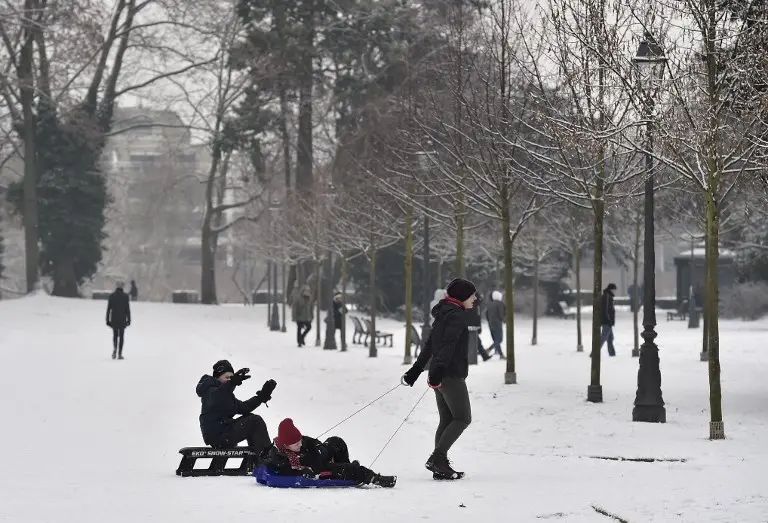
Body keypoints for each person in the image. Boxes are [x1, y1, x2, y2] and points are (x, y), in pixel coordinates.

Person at [401, 277, 476, 480]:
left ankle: (439, 465)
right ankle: (437, 458)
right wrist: (438, 370)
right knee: (462, 418)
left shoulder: (444, 314)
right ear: (462, 297)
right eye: (472, 295)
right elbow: (446, 346)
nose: (475, 299)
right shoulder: (457, 316)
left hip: (440, 373)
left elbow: (430, 346)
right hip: (449, 375)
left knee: (448, 419)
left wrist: (415, 371)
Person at [260, 418, 396, 488]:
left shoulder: (297, 442)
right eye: (296, 444)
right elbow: (281, 469)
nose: (300, 444)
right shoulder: (279, 456)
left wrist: (319, 447)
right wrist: (303, 472)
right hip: (317, 469)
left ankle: (346, 470)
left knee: (336, 442)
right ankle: (374, 478)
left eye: (300, 441)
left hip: (317, 457)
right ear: (285, 445)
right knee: (348, 470)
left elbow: (311, 441)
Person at [196, 360, 276, 455]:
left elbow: (245, 407)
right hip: (219, 436)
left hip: (224, 433)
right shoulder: (210, 391)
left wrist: (261, 396)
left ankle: (259, 458)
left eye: (231, 377)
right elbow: (218, 395)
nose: (229, 380)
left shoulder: (227, 396)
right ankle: (267, 458)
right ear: (217, 378)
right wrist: (232, 382)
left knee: (251, 419)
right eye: (227, 377)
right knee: (255, 421)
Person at [106, 281, 131, 360]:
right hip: (122, 319)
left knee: (115, 335)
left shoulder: (112, 296)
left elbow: (109, 309)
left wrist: (107, 319)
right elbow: (127, 309)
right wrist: (129, 319)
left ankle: (114, 350)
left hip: (114, 319)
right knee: (121, 336)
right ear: (122, 287)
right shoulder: (125, 296)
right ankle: (120, 353)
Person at [467, 291, 491, 362]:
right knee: (477, 342)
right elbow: (477, 318)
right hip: (471, 327)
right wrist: (479, 327)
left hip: (468, 327)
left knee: (477, 342)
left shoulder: (469, 305)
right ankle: (484, 356)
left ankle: (484, 355)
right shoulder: (475, 307)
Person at [597, 283, 617, 357]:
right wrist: (608, 320)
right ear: (611, 289)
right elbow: (605, 310)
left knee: (610, 337)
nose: (615, 292)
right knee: (604, 337)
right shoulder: (607, 297)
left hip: (608, 321)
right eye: (614, 290)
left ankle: (612, 353)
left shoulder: (608, 296)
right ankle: (594, 352)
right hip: (607, 321)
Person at [486, 290, 505, 358]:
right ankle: (489, 349)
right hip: (497, 324)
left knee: (496, 340)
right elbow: (501, 314)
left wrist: (490, 321)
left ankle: (501, 355)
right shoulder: (500, 304)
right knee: (499, 339)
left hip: (491, 324)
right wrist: (504, 320)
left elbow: (486, 315)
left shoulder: (489, 304)